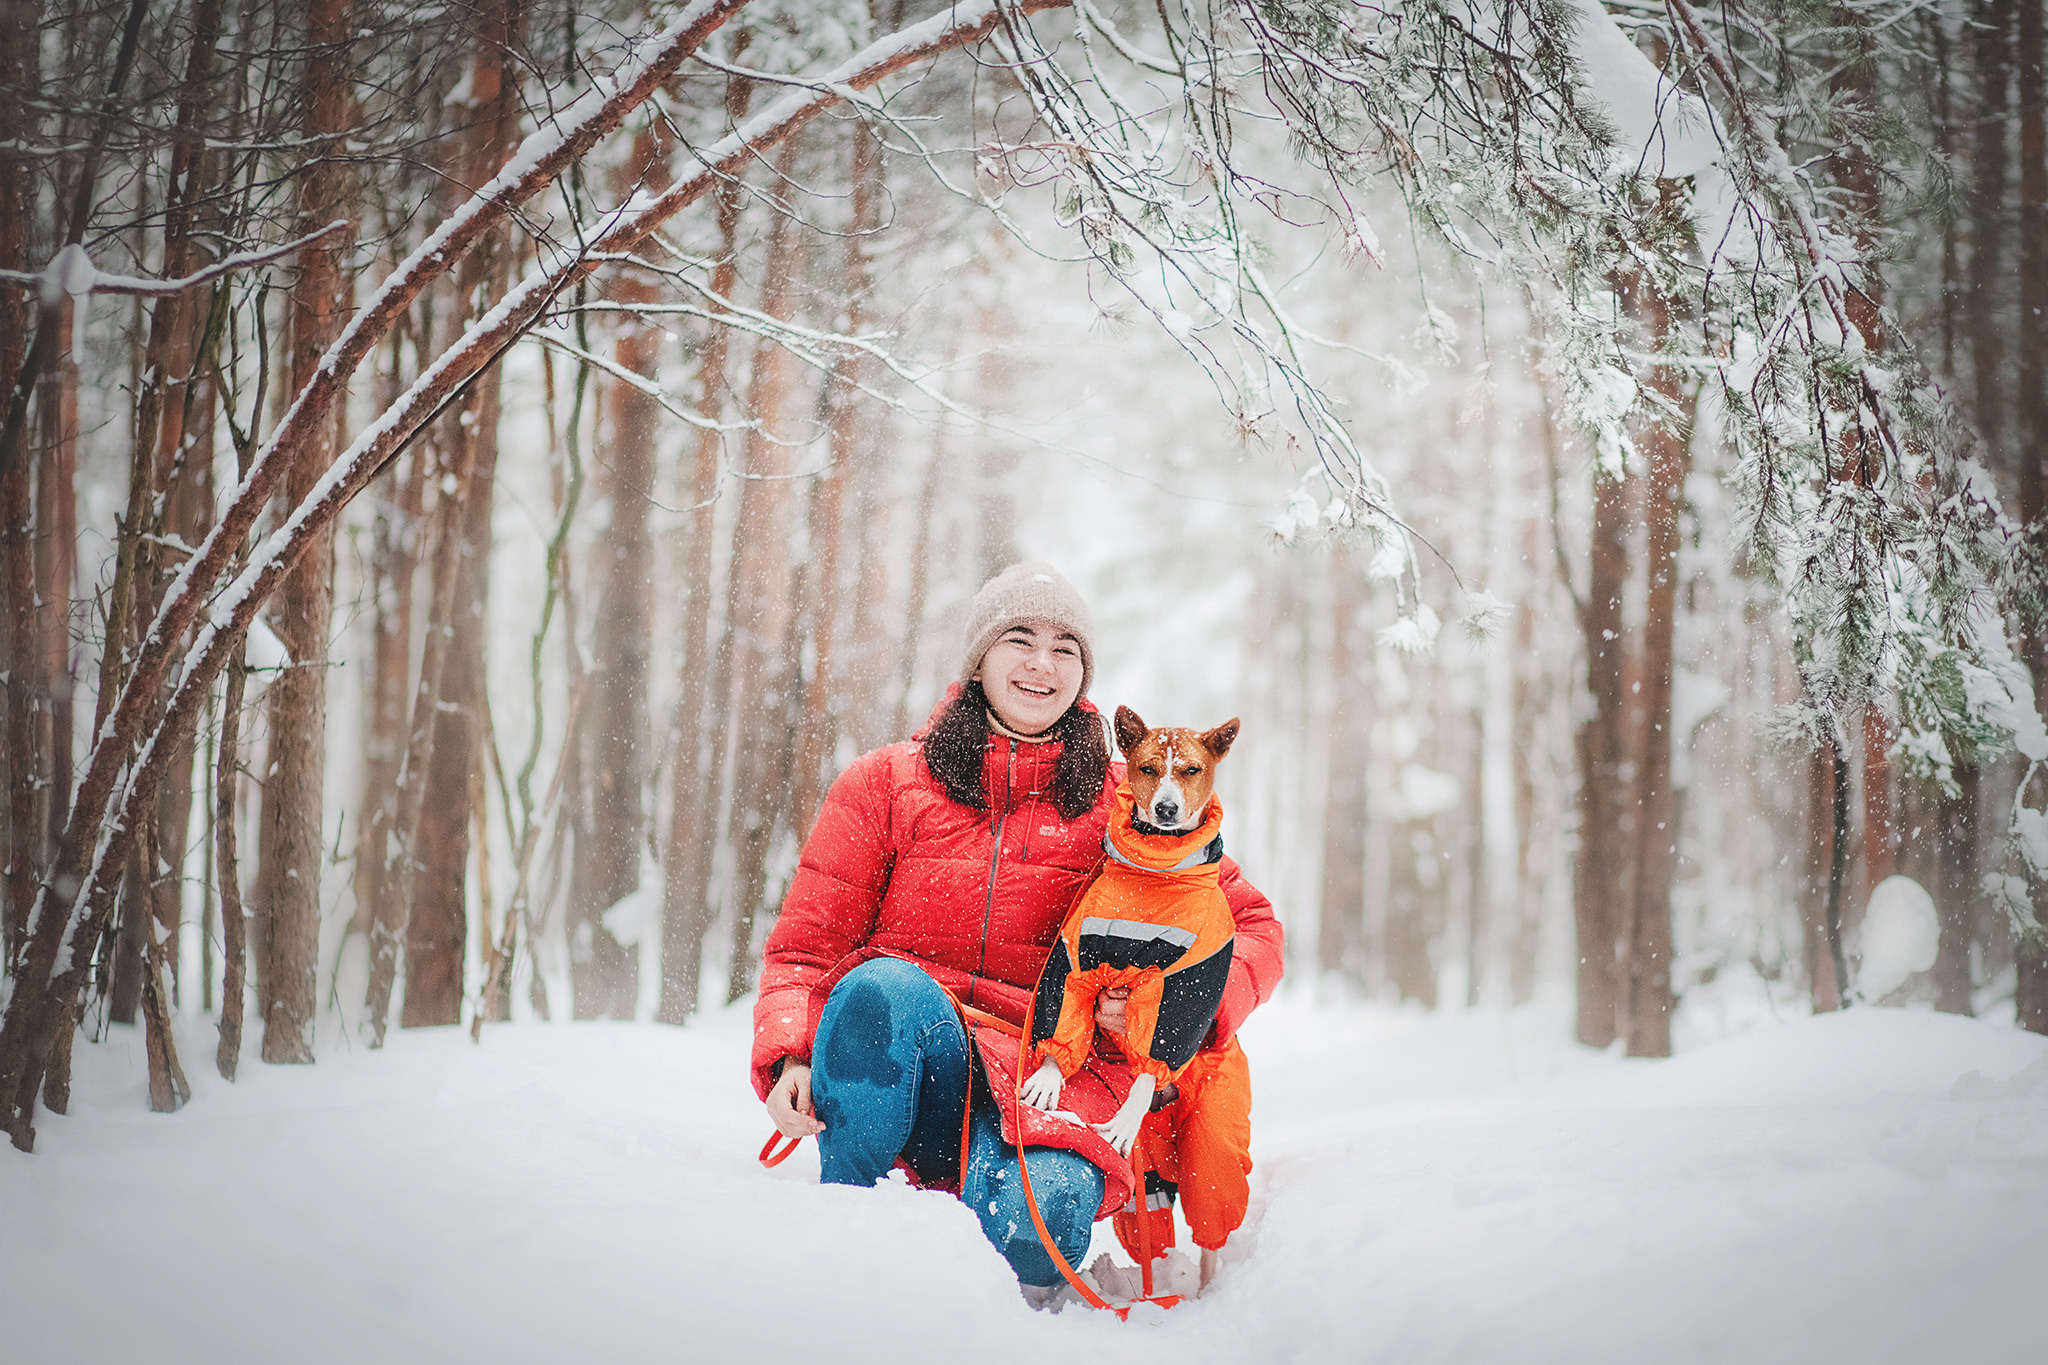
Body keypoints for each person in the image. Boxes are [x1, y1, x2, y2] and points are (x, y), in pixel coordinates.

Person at [752, 562, 1283, 1304]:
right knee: (880, 989)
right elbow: (806, 946)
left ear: (1083, 671)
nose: (1042, 662)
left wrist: (1178, 1010)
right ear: (979, 656)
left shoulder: (1122, 809)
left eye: (1066, 645)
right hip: (913, 1047)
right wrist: (789, 1056)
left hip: (1046, 1077)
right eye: (1020, 638)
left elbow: (1248, 926)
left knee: (1041, 1236)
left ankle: (984, 1241)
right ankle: (852, 1241)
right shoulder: (885, 782)